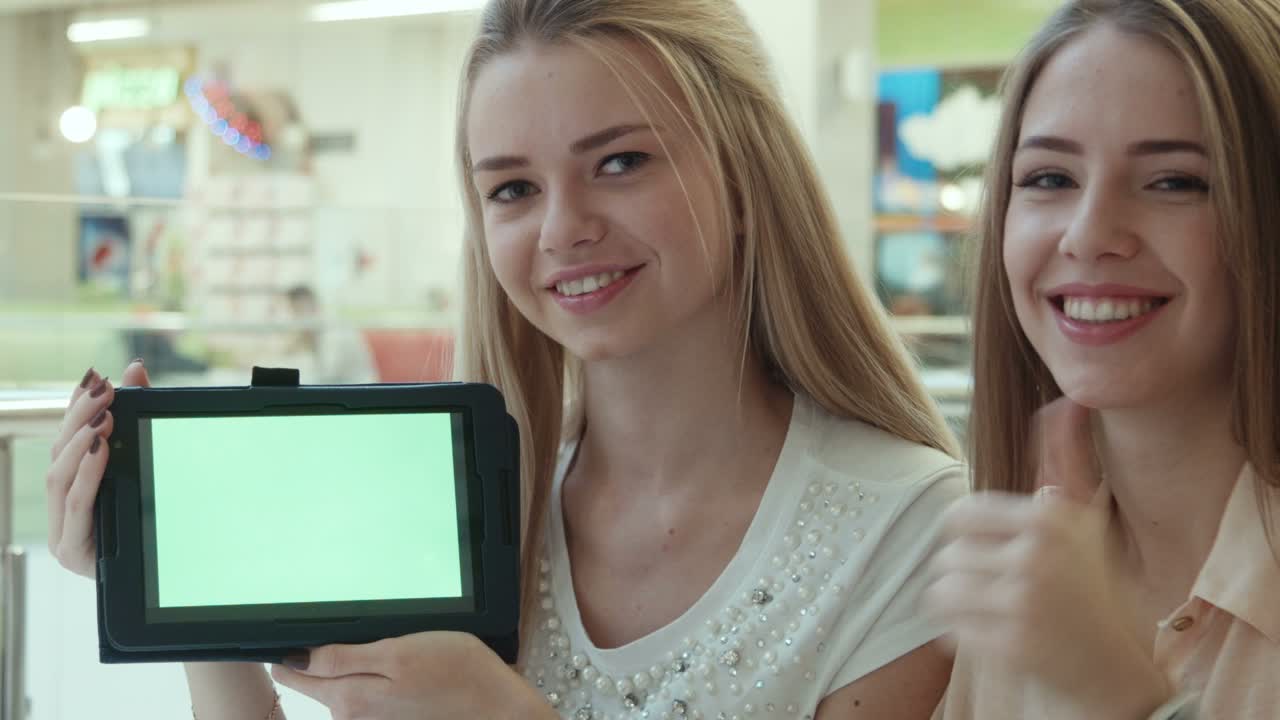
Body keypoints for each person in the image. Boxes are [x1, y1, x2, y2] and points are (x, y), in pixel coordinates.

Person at [45, 1, 966, 718]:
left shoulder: (905, 524)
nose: (564, 229)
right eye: (514, 188)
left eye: (620, 163)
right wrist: (180, 587)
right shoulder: (465, 499)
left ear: (741, 174)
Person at [924, 1, 1280, 718]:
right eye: (1050, 179)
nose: (1089, 236)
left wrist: (1118, 695)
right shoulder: (1027, 562)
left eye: (1175, 181)